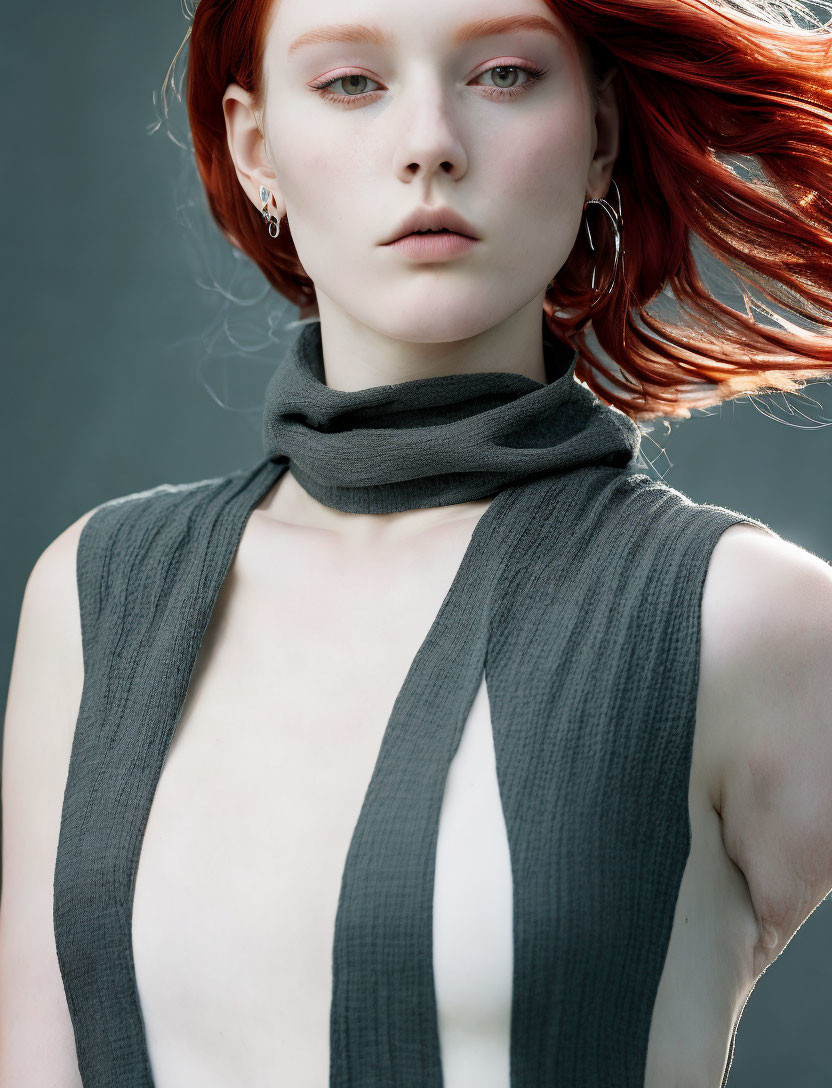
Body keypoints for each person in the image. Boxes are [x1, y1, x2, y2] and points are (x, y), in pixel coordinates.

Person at [3, 0, 832, 1085]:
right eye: (351, 82)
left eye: (501, 74)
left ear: (601, 138)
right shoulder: (95, 594)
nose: (429, 141)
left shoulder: (748, 618)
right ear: (257, 148)